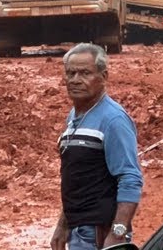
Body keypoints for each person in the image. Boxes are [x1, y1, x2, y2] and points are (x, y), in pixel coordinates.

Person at [50, 43, 143, 250]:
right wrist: (63, 225)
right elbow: (77, 178)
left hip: (98, 235)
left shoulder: (113, 120)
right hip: (78, 232)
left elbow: (130, 178)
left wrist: (118, 233)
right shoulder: (74, 117)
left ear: (104, 76)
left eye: (85, 73)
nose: (75, 80)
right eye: (71, 73)